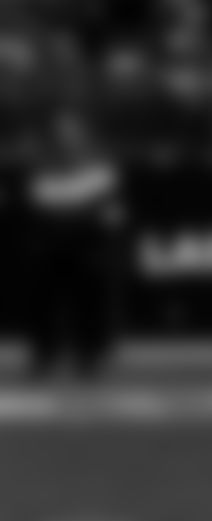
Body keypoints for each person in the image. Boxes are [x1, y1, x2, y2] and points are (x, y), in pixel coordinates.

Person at [23, 112, 124, 379]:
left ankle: (90, 355)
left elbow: (111, 207)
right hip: (50, 243)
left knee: (90, 301)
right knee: (44, 302)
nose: (67, 137)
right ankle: (45, 354)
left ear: (83, 134)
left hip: (88, 244)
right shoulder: (42, 163)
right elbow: (37, 200)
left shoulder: (97, 163)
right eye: (61, 132)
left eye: (72, 131)